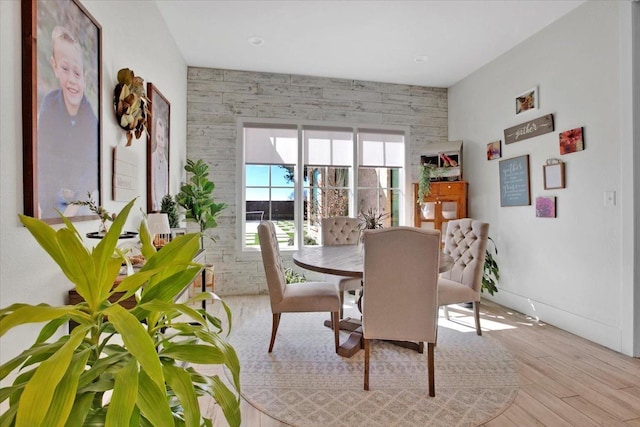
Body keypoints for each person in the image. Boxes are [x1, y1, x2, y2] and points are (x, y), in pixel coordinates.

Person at [37, 26, 99, 219]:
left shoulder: (90, 120)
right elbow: (43, 158)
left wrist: (71, 211)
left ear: (85, 77)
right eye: (65, 69)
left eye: (77, 73)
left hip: (79, 201)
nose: (71, 80)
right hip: (52, 197)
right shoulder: (49, 105)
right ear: (55, 67)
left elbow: (91, 172)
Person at [151, 116, 168, 211]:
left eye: (162, 139)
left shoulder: (165, 163)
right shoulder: (153, 159)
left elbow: (166, 187)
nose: (160, 142)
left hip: (163, 209)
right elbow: (152, 184)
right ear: (155, 138)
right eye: (158, 137)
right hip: (156, 208)